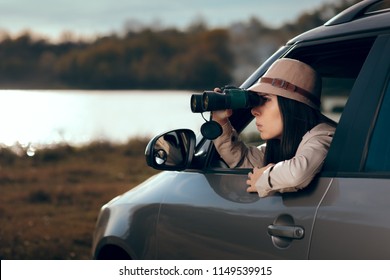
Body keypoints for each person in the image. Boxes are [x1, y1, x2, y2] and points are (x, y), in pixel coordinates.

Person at [212, 58, 337, 197]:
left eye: (265, 99)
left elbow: (297, 174)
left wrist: (264, 178)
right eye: (256, 100)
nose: (254, 111)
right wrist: (220, 120)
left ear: (292, 105)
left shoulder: (323, 136)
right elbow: (242, 160)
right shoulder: (285, 143)